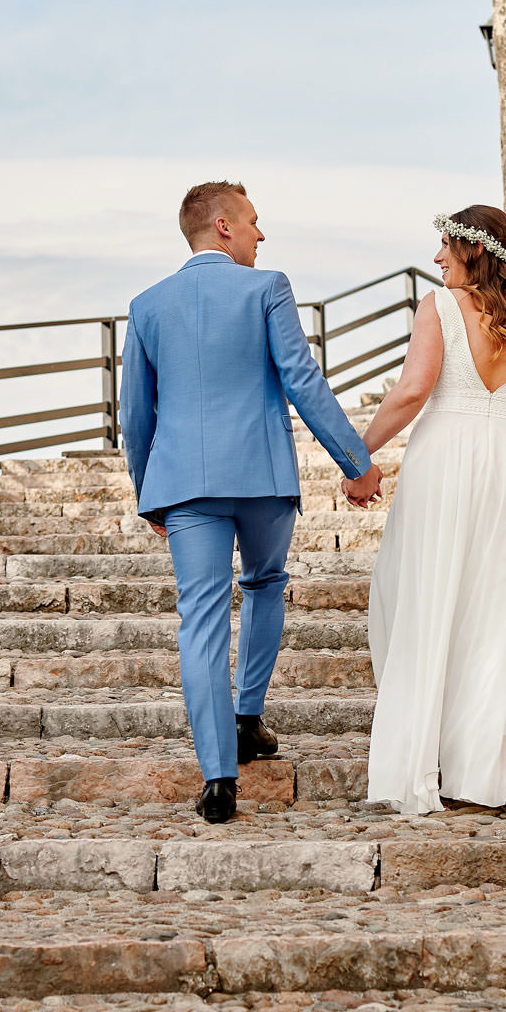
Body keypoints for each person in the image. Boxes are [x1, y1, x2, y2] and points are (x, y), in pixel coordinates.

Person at [120, 181, 385, 823]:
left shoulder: (147, 306)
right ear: (223, 228)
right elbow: (301, 378)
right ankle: (247, 718)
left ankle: (218, 780)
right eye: (255, 222)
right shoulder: (268, 289)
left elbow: (135, 415)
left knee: (201, 619)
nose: (263, 235)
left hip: (184, 485)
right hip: (262, 478)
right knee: (265, 583)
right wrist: (357, 460)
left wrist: (148, 492)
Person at [358, 205, 506, 814]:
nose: (436, 259)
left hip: (447, 457)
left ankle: (425, 756)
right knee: (500, 612)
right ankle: (492, 774)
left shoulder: (438, 309)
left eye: (445, 249)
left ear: (474, 251)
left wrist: (357, 454)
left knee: (427, 597)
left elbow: (411, 391)